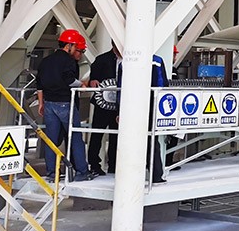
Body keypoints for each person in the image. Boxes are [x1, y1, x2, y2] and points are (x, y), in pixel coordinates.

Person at [36, 29, 98, 182]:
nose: (80, 54)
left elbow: (40, 85)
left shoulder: (46, 61)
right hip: (65, 103)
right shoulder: (69, 62)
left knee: (51, 140)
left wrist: (41, 103)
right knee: (75, 138)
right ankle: (82, 172)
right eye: (78, 49)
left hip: (49, 104)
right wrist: (82, 85)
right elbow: (69, 80)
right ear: (69, 45)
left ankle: (52, 174)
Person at [118, 53, 169, 183]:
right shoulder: (156, 61)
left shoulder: (125, 61)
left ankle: (130, 173)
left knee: (130, 139)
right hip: (151, 103)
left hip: (130, 104)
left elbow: (120, 88)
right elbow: (162, 85)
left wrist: (119, 110)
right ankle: (156, 174)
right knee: (151, 140)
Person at [87, 42, 121, 175]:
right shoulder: (101, 59)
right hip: (102, 105)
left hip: (119, 106)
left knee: (116, 136)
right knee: (97, 134)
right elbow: (93, 79)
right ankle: (94, 164)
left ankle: (114, 164)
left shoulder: (128, 60)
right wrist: (93, 80)